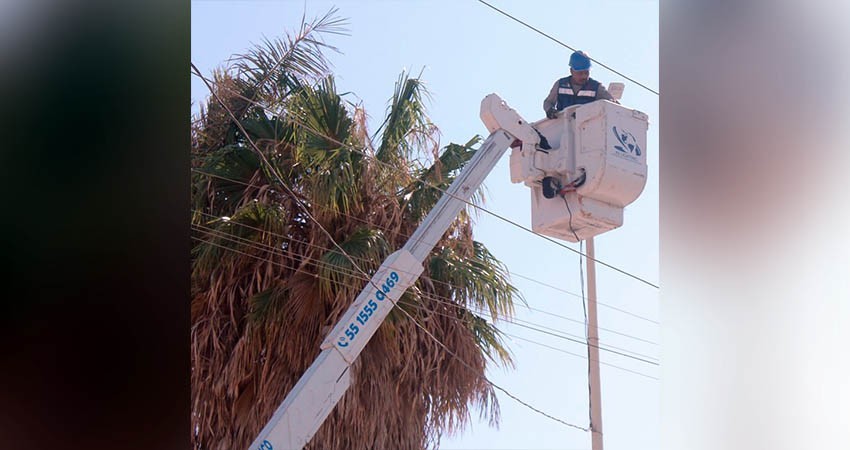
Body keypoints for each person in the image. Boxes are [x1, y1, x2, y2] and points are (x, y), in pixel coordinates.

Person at [543, 50, 617, 119]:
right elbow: (548, 102)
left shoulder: (596, 87)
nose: (584, 76)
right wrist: (550, 110)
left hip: (587, 125)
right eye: (580, 73)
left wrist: (613, 102)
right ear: (571, 71)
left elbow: (613, 104)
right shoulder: (561, 84)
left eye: (586, 72)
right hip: (564, 125)